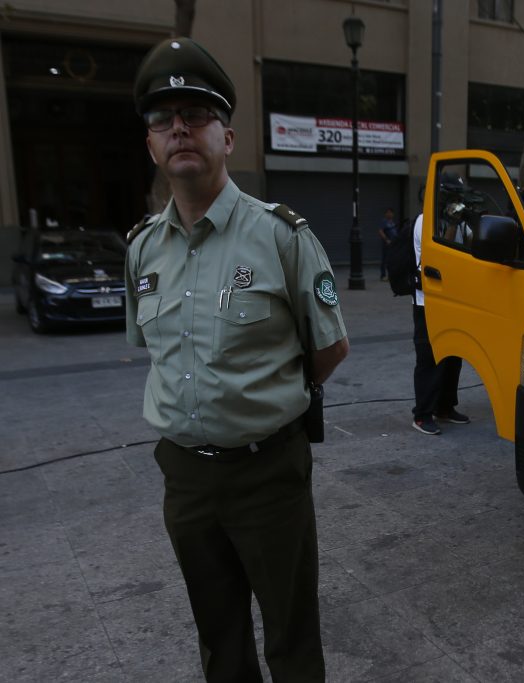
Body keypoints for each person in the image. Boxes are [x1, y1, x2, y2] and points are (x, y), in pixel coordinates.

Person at [124, 37, 348, 682]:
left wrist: (264, 403)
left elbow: (330, 347)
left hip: (268, 472)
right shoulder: (142, 249)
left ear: (227, 137)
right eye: (163, 120)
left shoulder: (281, 236)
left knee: (292, 640)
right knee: (219, 642)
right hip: (185, 479)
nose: (179, 129)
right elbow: (152, 351)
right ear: (151, 146)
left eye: (196, 115)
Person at [411, 212, 469, 435]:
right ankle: (422, 415)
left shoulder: (460, 222)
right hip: (428, 301)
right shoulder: (425, 220)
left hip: (453, 299)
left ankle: (445, 407)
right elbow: (438, 255)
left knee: (453, 356)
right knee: (429, 357)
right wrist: (453, 224)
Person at [378, 207, 398, 280]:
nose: (389, 214)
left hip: (393, 244)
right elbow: (380, 231)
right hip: (387, 244)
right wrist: (386, 240)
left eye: (391, 212)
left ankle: (390, 275)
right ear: (385, 214)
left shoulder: (392, 222)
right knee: (385, 259)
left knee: (391, 260)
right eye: (388, 212)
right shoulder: (384, 222)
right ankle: (383, 275)